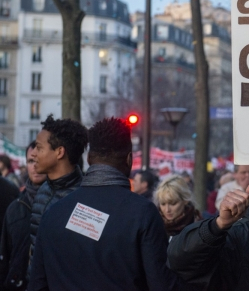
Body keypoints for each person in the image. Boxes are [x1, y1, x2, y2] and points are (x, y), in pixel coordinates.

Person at [28, 117, 178, 291]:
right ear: (129, 160)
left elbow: (37, 283)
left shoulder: (53, 213)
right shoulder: (143, 214)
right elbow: (160, 284)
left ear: (90, 158)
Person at [29, 114, 87, 262]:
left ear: (59, 152)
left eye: (39, 147)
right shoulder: (43, 189)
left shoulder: (85, 199)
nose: (33, 153)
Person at [0, 142, 46, 290]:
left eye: (40, 160)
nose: (35, 166)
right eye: (31, 161)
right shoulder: (15, 208)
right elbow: (4, 257)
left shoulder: (63, 204)